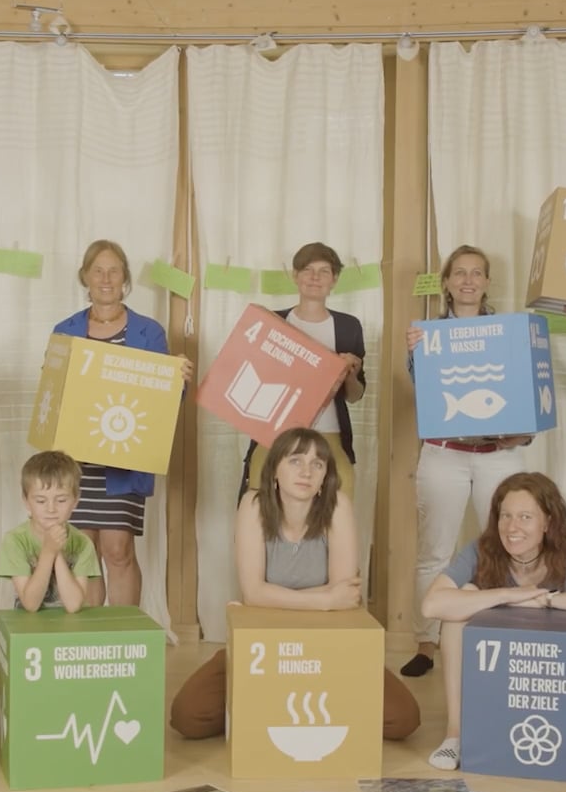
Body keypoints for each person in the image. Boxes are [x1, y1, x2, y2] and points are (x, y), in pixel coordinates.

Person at [171, 427, 419, 740]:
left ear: (325, 477)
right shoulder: (253, 504)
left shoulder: (337, 505)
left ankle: (305, 706)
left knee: (403, 718)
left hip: (329, 643)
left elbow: (345, 590)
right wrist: (325, 600)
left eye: (318, 464)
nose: (307, 471)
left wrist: (271, 597)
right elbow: (254, 591)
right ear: (274, 469)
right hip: (263, 642)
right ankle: (267, 704)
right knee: (189, 715)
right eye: (296, 460)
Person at [420, 472, 566, 770]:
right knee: (459, 606)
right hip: (502, 674)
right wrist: (509, 594)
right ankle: (455, 736)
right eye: (505, 516)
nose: (512, 527)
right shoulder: (483, 549)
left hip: (555, 677)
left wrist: (547, 599)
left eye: (524, 517)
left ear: (547, 522)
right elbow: (432, 605)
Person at [401, 244, 531, 678]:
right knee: (433, 550)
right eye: (460, 273)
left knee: (509, 545)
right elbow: (427, 393)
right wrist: (417, 353)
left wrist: (522, 430)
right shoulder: (427, 335)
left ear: (488, 282)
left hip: (498, 456)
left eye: (477, 273)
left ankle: (503, 633)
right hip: (444, 454)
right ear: (447, 283)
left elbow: (523, 401)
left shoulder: (509, 334)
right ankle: (427, 640)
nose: (469, 281)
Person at [52, 240, 192, 608]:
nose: (106, 278)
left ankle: (124, 635)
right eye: (98, 270)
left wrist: (177, 379)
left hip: (124, 459)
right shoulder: (65, 330)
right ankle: (93, 637)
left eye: (114, 270)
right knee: (84, 555)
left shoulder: (150, 332)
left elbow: (166, 403)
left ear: (125, 278)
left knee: (118, 550)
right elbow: (54, 396)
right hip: (78, 463)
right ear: (85, 276)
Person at [240, 242, 368, 496]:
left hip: (329, 433)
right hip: (276, 433)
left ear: (335, 279)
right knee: (258, 493)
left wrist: (350, 374)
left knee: (342, 490)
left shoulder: (348, 326)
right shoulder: (271, 321)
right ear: (294, 276)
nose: (315, 277)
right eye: (308, 270)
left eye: (324, 271)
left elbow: (354, 396)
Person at [0, 451, 104, 614]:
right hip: (29, 627)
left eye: (61, 500)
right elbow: (31, 604)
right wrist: (48, 551)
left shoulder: (83, 543)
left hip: (70, 627)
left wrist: (56, 552)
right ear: (26, 501)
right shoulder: (14, 541)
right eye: (41, 501)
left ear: (75, 500)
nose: (51, 509)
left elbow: (73, 605)